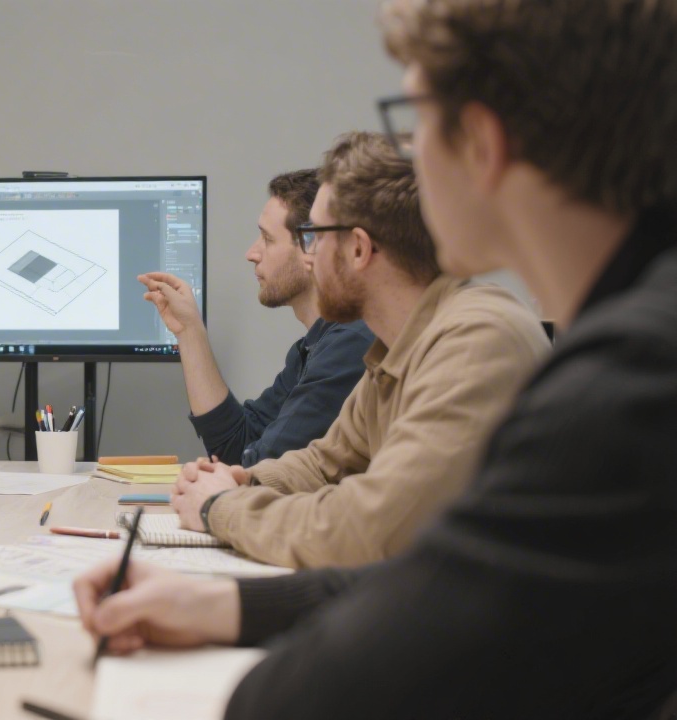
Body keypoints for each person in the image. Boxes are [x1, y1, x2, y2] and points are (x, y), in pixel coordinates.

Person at [75, 0, 677, 716]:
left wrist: (229, 510)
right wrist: (219, 605)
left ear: (483, 142)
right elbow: (438, 573)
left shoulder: (630, 375)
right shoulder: (623, 333)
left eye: (414, 120)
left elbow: (384, 572)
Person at [171, 131, 549, 568]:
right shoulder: (399, 344)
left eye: (314, 237)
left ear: (358, 248)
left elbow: (372, 527)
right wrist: (244, 480)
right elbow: (323, 465)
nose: (308, 258)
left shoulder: (477, 341)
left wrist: (220, 507)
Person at [139, 170, 373, 467]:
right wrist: (189, 331)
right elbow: (237, 445)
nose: (252, 253)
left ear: (312, 245)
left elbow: (260, 470)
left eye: (267, 238)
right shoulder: (314, 347)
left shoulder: (350, 346)